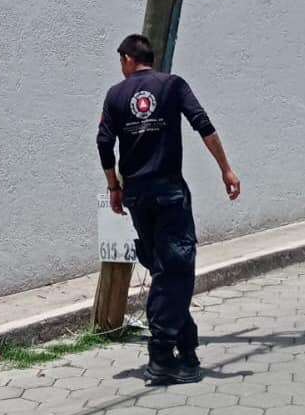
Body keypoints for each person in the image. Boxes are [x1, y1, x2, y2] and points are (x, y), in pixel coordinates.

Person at [96, 34, 240, 386]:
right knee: (175, 269)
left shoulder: (115, 95)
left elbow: (103, 142)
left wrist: (114, 186)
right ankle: (161, 355)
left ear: (128, 58)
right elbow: (202, 124)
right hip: (169, 191)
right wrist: (225, 168)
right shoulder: (173, 85)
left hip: (137, 196)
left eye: (120, 60)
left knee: (166, 269)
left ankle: (187, 353)